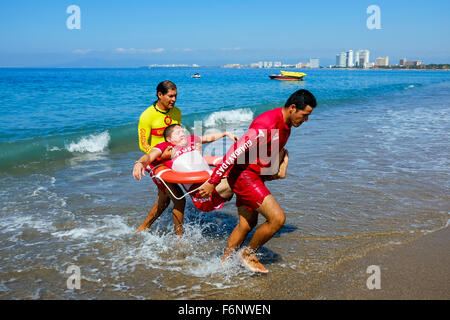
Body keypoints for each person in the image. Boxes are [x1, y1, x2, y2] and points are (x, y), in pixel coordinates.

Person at [199, 89, 317, 273]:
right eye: (305, 115)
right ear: (293, 108)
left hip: (253, 175)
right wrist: (212, 181)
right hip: (244, 175)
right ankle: (248, 254)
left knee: (246, 224)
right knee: (277, 219)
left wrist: (279, 170)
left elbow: (267, 156)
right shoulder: (266, 125)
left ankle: (222, 266)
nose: (306, 120)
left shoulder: (286, 125)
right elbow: (234, 152)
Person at [133, 124, 238, 234]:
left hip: (211, 183)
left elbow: (207, 138)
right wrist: (140, 163)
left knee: (238, 174)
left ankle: (145, 229)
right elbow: (150, 156)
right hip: (202, 193)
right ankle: (176, 237)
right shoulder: (167, 147)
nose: (182, 134)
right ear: (169, 139)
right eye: (178, 133)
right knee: (238, 177)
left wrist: (226, 133)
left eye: (183, 131)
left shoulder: (191, 140)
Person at [137, 81, 184, 235]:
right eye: (170, 96)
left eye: (175, 96)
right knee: (179, 198)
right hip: (156, 163)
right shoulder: (147, 116)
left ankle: (142, 228)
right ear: (160, 95)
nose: (174, 99)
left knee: (164, 201)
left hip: (172, 161)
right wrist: (160, 154)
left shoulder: (176, 112)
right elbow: (143, 145)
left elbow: (178, 136)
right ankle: (180, 240)